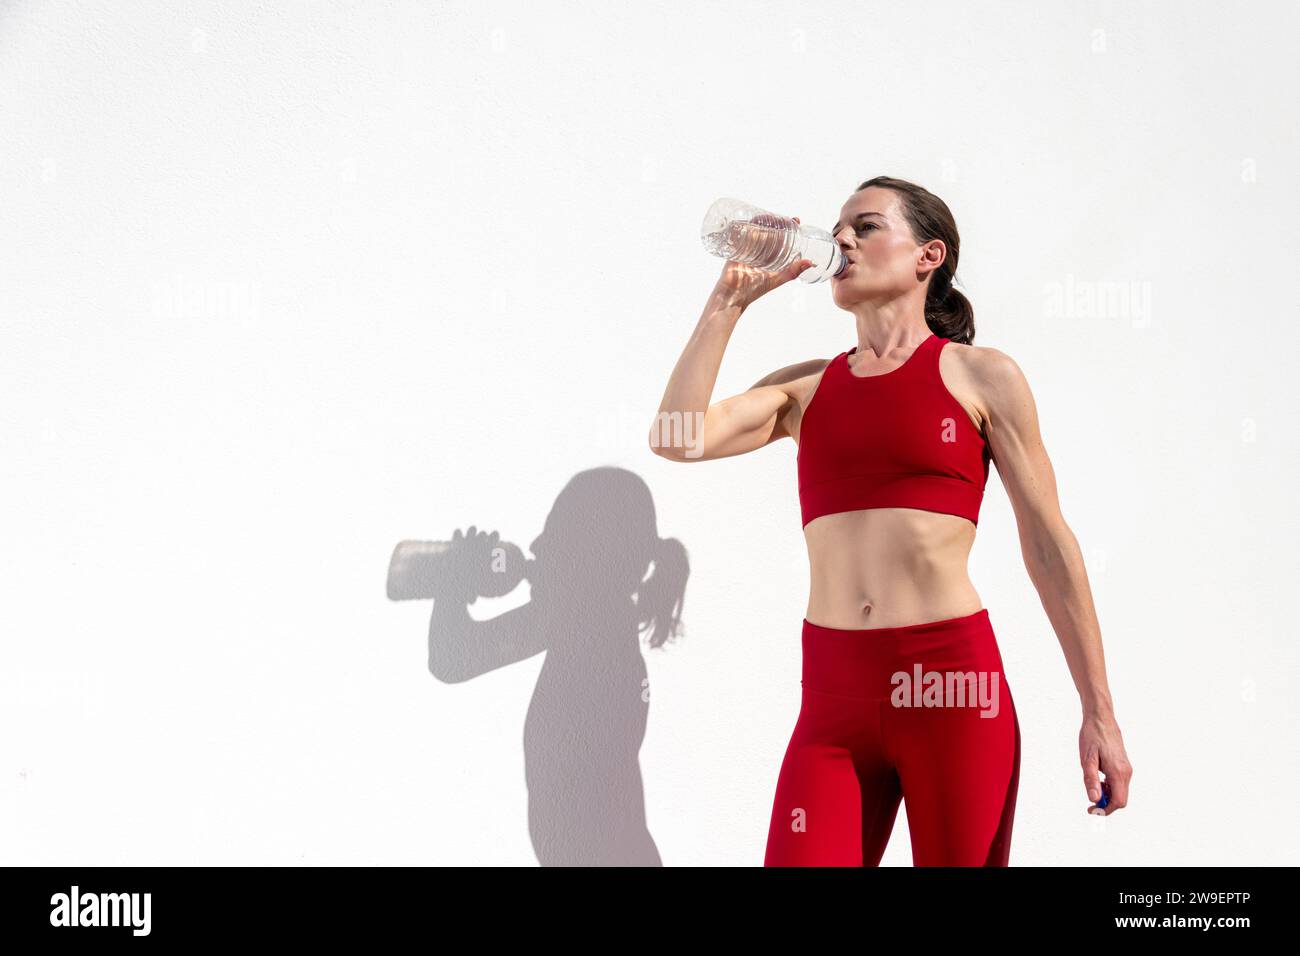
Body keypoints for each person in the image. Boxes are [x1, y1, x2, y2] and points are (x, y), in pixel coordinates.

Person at [648, 176, 1132, 866]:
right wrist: (728, 301)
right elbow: (675, 437)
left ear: (927, 256)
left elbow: (1049, 547)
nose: (841, 238)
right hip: (833, 701)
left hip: (952, 689)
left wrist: (1099, 712)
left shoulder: (979, 375)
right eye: (839, 227)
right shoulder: (807, 389)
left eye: (866, 227)